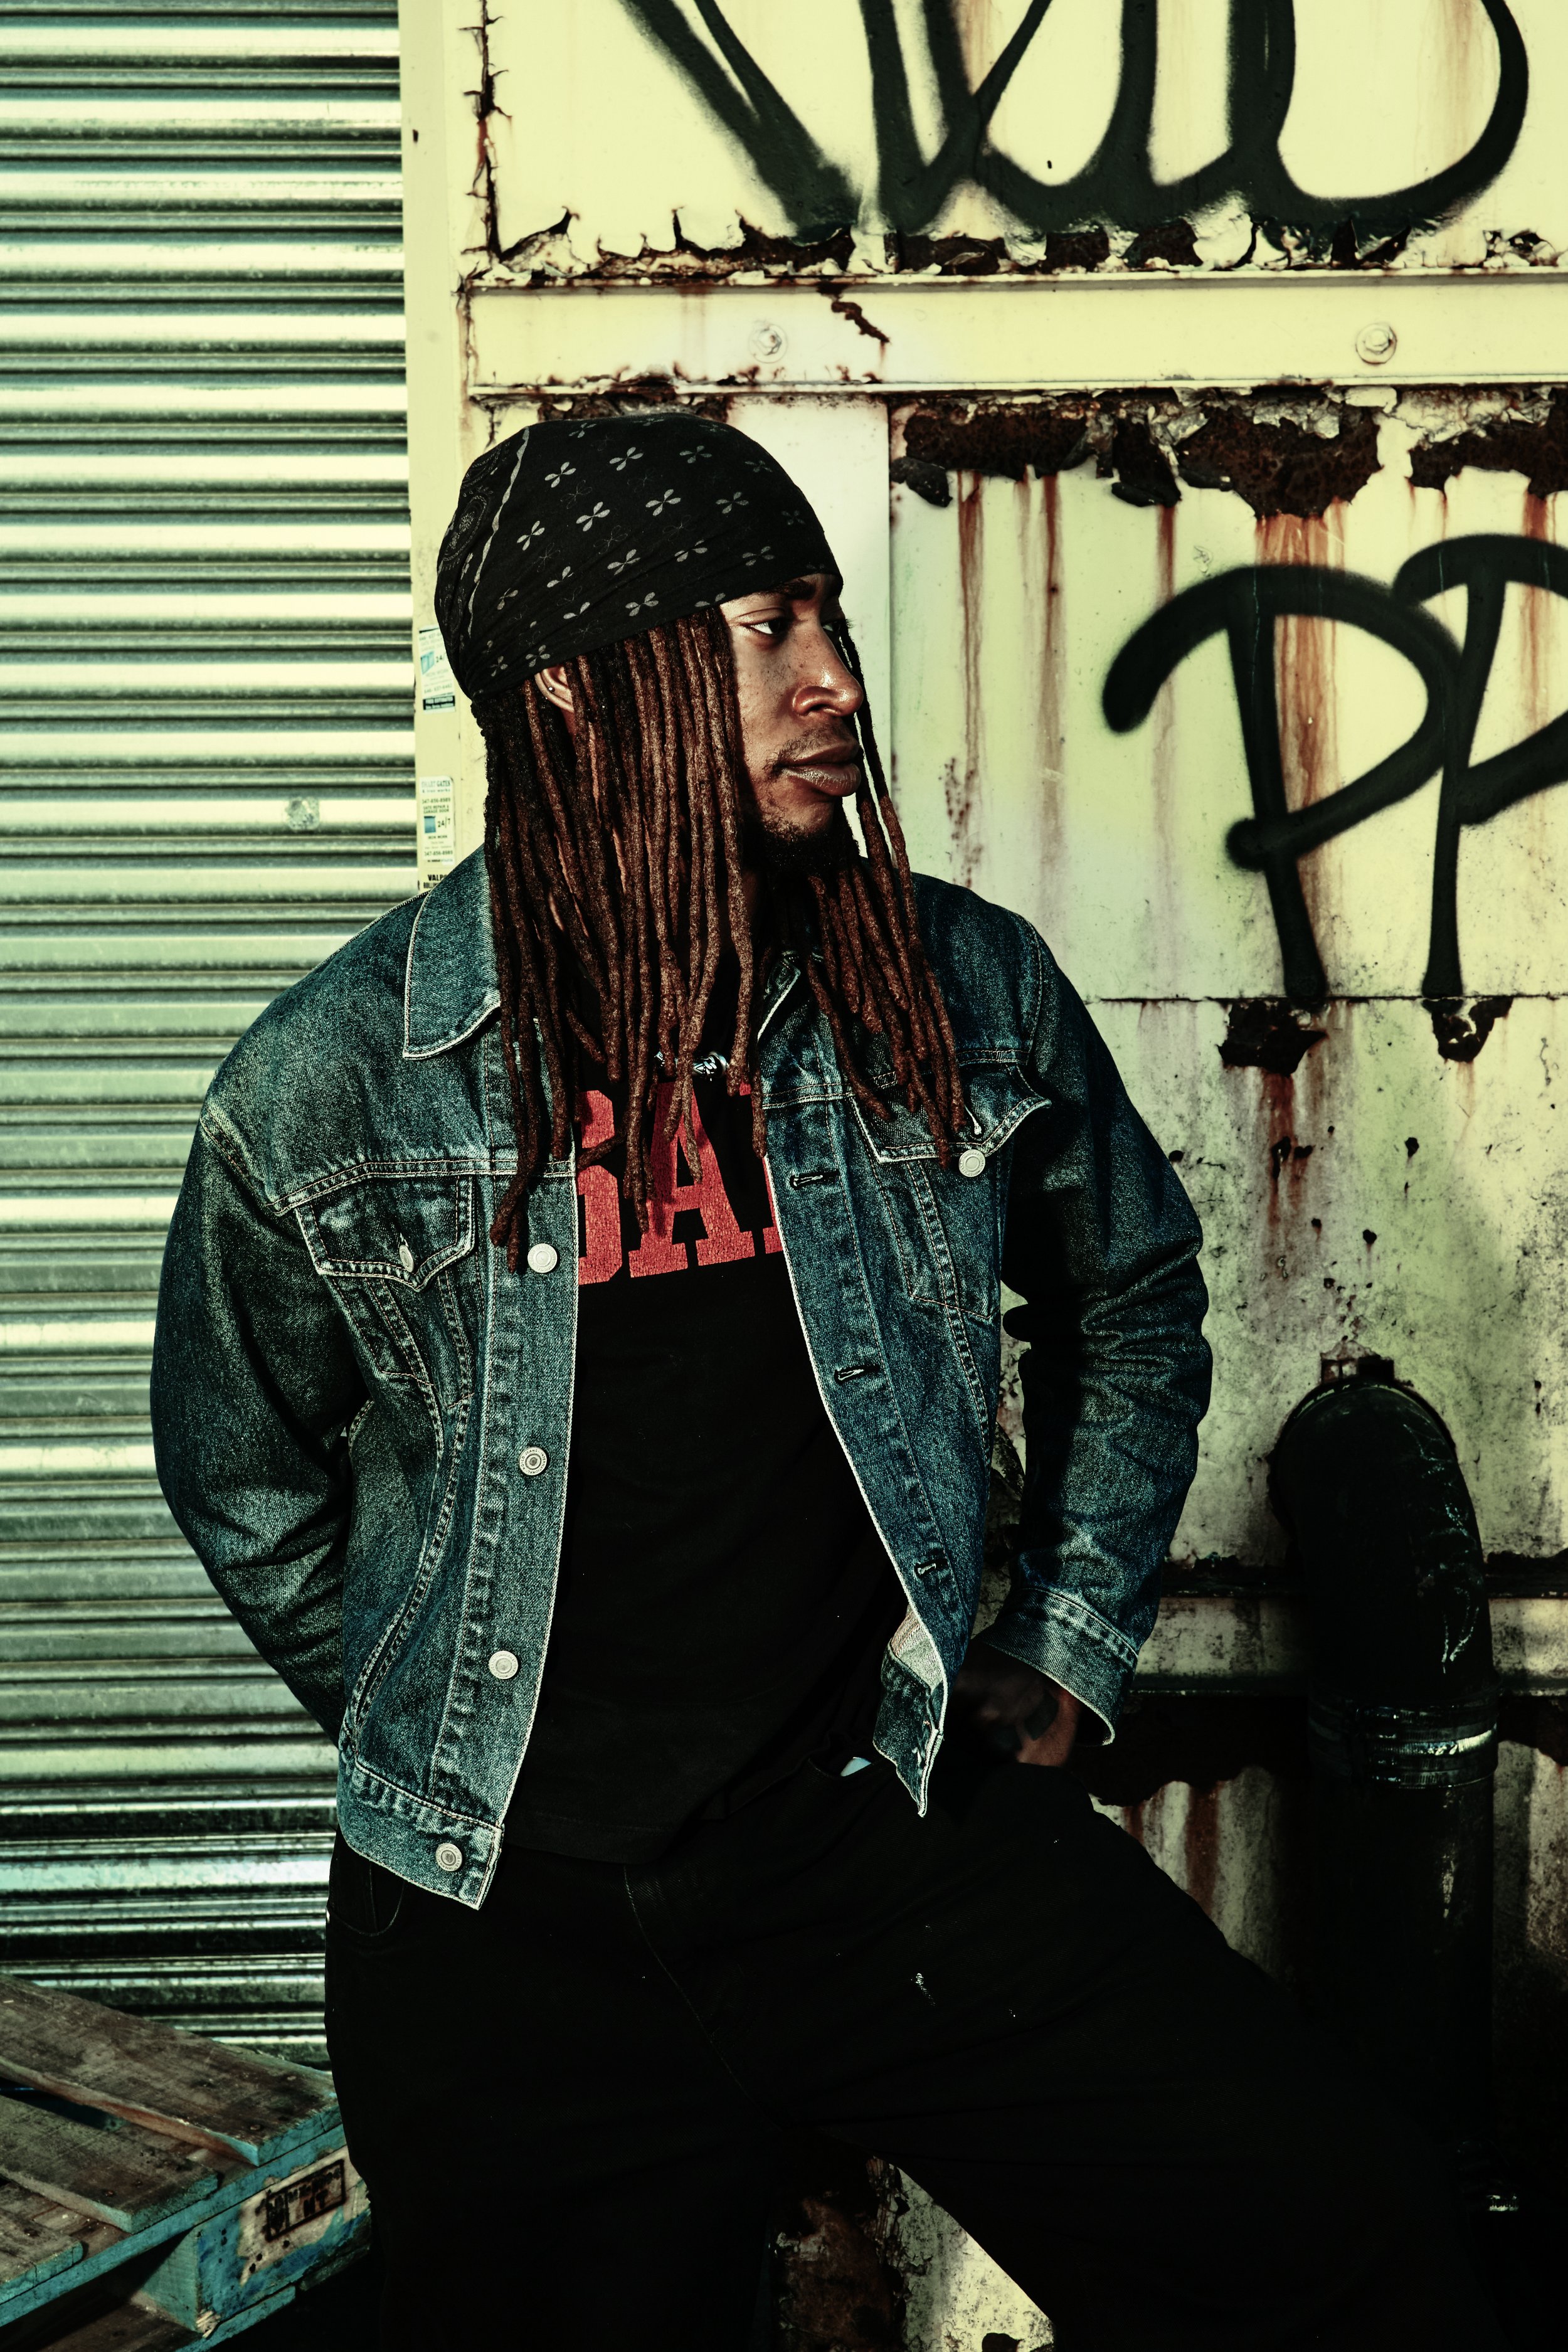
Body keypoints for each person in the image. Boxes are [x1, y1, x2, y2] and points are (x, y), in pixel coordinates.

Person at [151, 413, 1505, 2351]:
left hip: (890, 1839)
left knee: (1344, 2253)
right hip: (507, 1927)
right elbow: (244, 1478)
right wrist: (430, 1716)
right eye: (768, 627)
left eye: (829, 620)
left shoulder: (948, 987)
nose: (834, 682)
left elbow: (1128, 1298)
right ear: (575, 697)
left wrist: (1073, 1631)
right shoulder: (332, 1080)